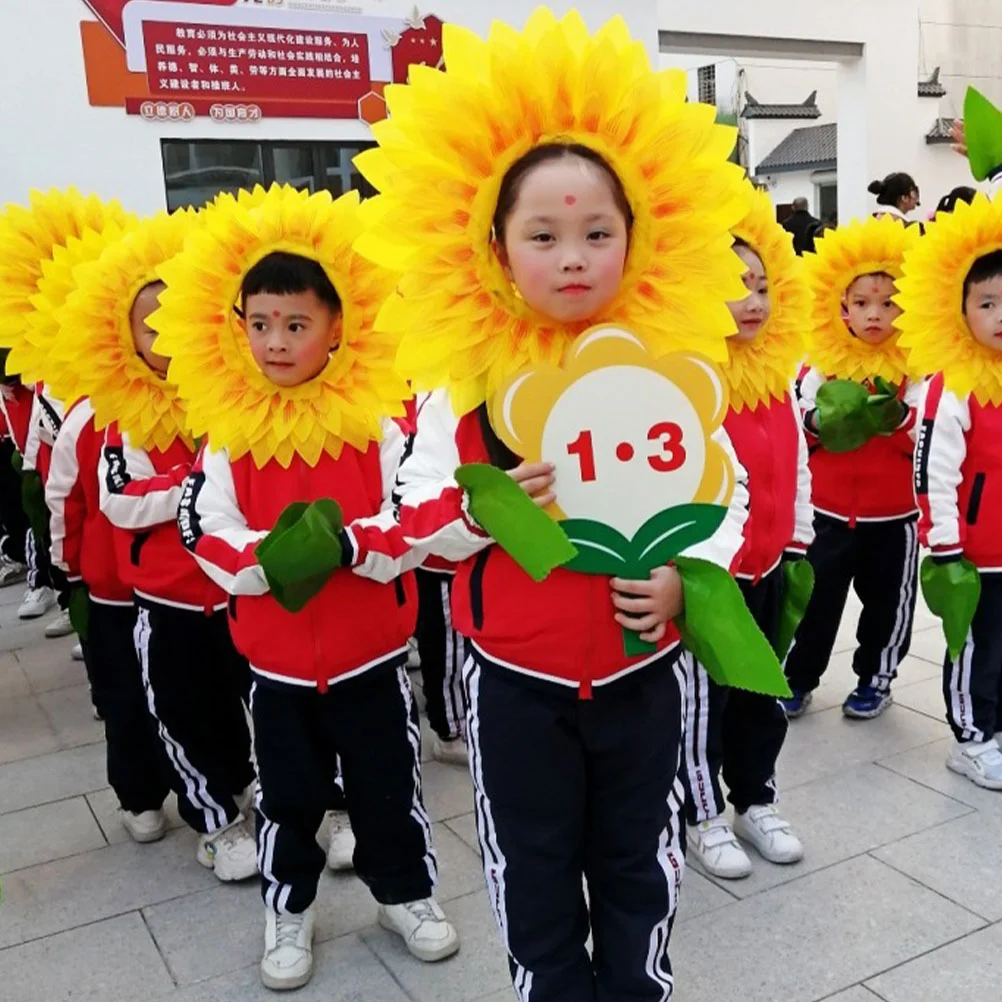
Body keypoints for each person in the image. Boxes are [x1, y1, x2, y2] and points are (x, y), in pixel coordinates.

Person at [371, 11, 753, 998]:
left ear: (637, 236)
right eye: (543, 235)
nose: (572, 256)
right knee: (533, 870)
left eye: (597, 232)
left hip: (644, 675)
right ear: (497, 245)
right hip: (513, 685)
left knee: (640, 860)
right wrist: (486, 511)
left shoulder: (669, 368)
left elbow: (728, 497)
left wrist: (684, 579)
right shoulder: (457, 384)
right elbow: (412, 523)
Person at [160, 186, 459, 991]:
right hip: (278, 672)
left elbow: (419, 513)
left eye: (296, 324)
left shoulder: (377, 425)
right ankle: (287, 911)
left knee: (389, 791)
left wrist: (354, 545)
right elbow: (204, 530)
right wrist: (273, 560)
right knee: (289, 801)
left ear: (338, 328)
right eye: (259, 324)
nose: (276, 342)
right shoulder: (230, 432)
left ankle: (406, 895)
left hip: (373, 662)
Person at [98, 269, 258, 883]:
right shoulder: (126, 417)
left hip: (234, 594)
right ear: (128, 337)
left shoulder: (230, 393)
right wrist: (193, 486)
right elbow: (121, 499)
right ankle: (214, 822)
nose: (162, 335)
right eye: (148, 325)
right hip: (168, 604)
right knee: (183, 712)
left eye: (174, 320)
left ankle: (245, 791)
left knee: (245, 705)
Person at [683, 189, 812, 880]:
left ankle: (756, 798)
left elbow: (794, 461)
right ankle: (700, 813)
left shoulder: (775, 375)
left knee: (762, 694)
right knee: (707, 700)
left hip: (768, 566)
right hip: (711, 580)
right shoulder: (687, 381)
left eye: (760, 285)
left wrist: (798, 537)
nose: (753, 301)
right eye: (734, 289)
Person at [785, 216, 924, 719]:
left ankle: (876, 678)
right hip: (827, 512)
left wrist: (903, 416)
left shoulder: (919, 364)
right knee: (815, 606)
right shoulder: (822, 360)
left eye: (889, 304)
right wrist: (819, 420)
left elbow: (933, 430)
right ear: (841, 305)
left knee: (887, 607)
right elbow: (796, 415)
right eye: (862, 303)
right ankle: (798, 678)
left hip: (894, 518)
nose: (874, 315)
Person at [897, 194, 1002, 789]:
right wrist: (944, 542)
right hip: (973, 550)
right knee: (973, 645)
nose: (1000, 314)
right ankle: (969, 736)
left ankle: (997, 724)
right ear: (960, 308)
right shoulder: (952, 387)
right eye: (987, 303)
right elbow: (932, 470)